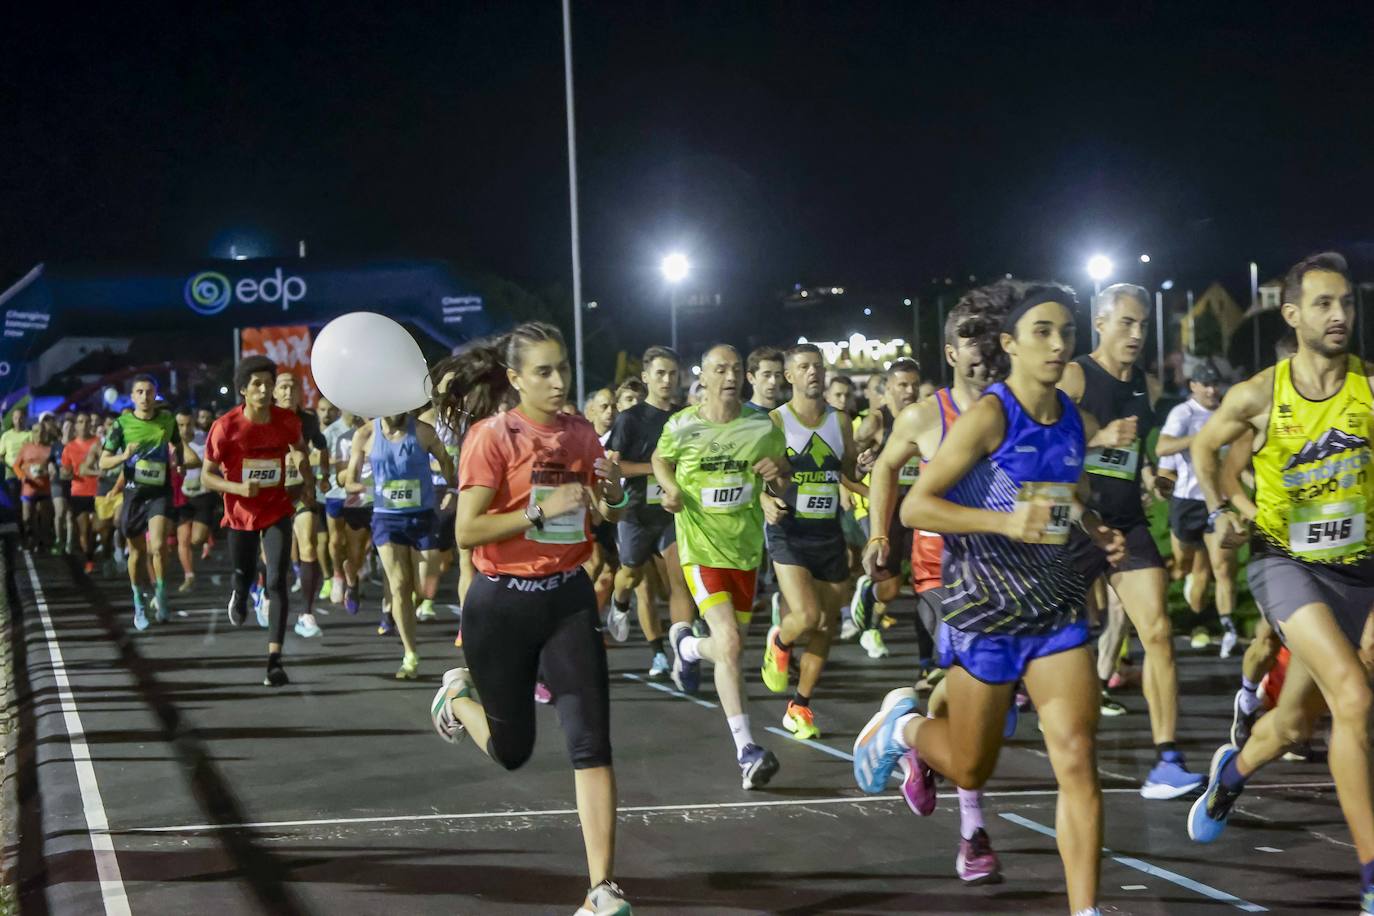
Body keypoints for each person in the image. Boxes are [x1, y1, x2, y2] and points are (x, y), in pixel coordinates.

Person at [853, 281, 1125, 916]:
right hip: (984, 611)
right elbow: (919, 503)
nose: (1059, 344)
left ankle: (1084, 910)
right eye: (1042, 332)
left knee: (1079, 758)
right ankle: (906, 726)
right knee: (972, 768)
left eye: (1066, 332)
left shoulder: (1074, 422)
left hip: (1055, 610)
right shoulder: (989, 417)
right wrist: (1004, 523)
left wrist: (1095, 531)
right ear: (1011, 343)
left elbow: (1072, 499)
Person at [1185, 252, 1374, 915]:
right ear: (1292, 315)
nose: (1340, 315)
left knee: (1294, 725)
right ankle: (1373, 878)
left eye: (1347, 302)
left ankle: (1230, 774)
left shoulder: (1370, 389)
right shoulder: (1261, 394)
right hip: (1284, 564)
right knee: (1353, 699)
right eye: (1324, 304)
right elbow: (1207, 449)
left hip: (1363, 571)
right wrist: (1221, 511)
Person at [427, 322, 632, 916]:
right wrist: (539, 512)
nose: (558, 380)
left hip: (567, 596)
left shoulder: (580, 433)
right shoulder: (492, 437)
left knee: (592, 742)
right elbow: (467, 530)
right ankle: (457, 702)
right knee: (512, 751)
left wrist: (613, 490)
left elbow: (606, 507)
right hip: (502, 602)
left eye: (562, 367)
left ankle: (602, 888)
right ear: (515, 379)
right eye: (543, 371)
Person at [862, 292, 1001, 884]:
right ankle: (973, 835)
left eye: (990, 339)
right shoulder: (925, 416)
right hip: (940, 576)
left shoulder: (1011, 409)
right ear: (949, 351)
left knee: (979, 711)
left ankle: (914, 736)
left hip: (1005, 578)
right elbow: (885, 468)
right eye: (969, 341)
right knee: (967, 697)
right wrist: (877, 535)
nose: (983, 352)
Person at [1058, 283, 1202, 799]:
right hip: (1070, 523)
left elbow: (1138, 450)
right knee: (1040, 641)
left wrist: (1152, 478)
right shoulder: (1074, 374)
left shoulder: (1144, 382)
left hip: (1126, 524)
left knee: (1158, 632)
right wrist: (1097, 439)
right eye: (1127, 323)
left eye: (1143, 324)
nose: (1138, 333)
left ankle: (1167, 759)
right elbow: (1040, 440)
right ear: (1101, 323)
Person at [656, 343, 790, 788]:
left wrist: (778, 478)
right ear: (706, 377)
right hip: (700, 549)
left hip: (746, 551)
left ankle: (688, 648)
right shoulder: (682, 424)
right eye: (721, 369)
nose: (730, 376)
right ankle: (746, 751)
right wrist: (669, 488)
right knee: (730, 643)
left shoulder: (761, 426)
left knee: (729, 650)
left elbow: (782, 478)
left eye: (736, 369)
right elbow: (661, 460)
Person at [758, 343, 858, 740]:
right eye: (804, 367)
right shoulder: (775, 422)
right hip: (790, 532)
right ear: (790, 376)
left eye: (818, 366)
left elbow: (847, 470)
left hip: (828, 533)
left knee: (825, 627)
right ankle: (780, 639)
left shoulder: (841, 421)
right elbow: (757, 475)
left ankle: (800, 706)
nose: (813, 373)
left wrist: (862, 467)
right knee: (806, 616)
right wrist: (765, 498)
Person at [202, 355, 314, 687]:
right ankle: (239, 591)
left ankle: (274, 661)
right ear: (243, 390)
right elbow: (208, 477)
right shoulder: (226, 427)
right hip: (239, 513)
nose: (264, 390)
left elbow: (300, 450)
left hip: (277, 507)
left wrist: (307, 484)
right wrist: (237, 487)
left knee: (277, 578)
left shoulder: (286, 421)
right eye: (257, 385)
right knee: (245, 572)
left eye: (268, 383)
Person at [605, 347, 694, 677]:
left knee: (679, 582)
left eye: (672, 374)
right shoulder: (630, 419)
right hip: (636, 512)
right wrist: (657, 470)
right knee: (630, 574)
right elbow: (615, 466)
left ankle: (682, 653)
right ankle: (619, 602)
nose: (667, 380)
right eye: (660, 373)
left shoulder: (686, 418)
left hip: (672, 512)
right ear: (646, 377)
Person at [345, 407, 454, 678]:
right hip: (386, 519)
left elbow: (446, 461)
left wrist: (452, 489)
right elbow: (349, 481)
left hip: (422, 517)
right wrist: (368, 489)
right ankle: (410, 655)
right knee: (399, 585)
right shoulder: (366, 434)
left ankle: (404, 610)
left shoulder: (423, 432)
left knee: (426, 587)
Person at [1156, 362, 1238, 656]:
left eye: (1215, 383)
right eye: (1205, 384)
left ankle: (1228, 629)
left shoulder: (1227, 413)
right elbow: (1162, 449)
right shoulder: (1183, 414)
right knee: (1185, 568)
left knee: (1224, 566)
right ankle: (1190, 611)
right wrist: (1202, 440)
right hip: (1186, 502)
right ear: (1193, 386)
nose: (1212, 390)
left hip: (1219, 502)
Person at [851, 357, 923, 658]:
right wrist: (864, 480)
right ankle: (869, 618)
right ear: (888, 387)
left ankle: (873, 626)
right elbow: (845, 470)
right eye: (902, 385)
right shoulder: (876, 422)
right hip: (889, 511)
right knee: (890, 586)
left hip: (918, 508)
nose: (909, 391)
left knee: (921, 582)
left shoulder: (926, 416)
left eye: (914, 385)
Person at [99, 376, 181, 629]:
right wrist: (124, 455)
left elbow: (177, 444)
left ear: (155, 395)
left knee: (158, 546)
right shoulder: (122, 424)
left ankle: (161, 593)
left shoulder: (167, 420)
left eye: (149, 392)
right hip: (134, 494)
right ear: (132, 397)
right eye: (139, 392)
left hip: (159, 492)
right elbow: (103, 462)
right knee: (137, 552)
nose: (145, 396)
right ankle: (138, 600)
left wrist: (178, 458)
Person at [275, 372, 330, 638]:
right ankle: (263, 593)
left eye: (292, 387)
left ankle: (306, 613)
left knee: (308, 545)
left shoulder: (307, 420)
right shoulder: (264, 419)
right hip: (271, 494)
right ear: (274, 392)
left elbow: (322, 444)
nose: (288, 392)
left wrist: (324, 478)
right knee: (271, 555)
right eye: (282, 387)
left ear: (300, 392)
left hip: (301, 491)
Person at [62, 412, 102, 573]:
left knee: (98, 528)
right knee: (84, 530)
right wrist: (66, 474)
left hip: (98, 491)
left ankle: (103, 551)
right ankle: (90, 559)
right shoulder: (69, 447)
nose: (84, 425)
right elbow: (65, 471)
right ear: (76, 426)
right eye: (80, 422)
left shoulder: (98, 442)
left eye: (86, 422)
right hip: (79, 492)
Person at [14, 421, 57, 553]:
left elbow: (53, 465)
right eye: (36, 431)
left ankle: (41, 543)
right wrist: (22, 476)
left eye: (42, 431)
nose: (39, 434)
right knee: (27, 518)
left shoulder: (50, 448)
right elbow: (16, 465)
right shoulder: (26, 448)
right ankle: (30, 540)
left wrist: (52, 470)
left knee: (44, 519)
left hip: (44, 488)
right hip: (28, 488)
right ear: (32, 433)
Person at [0, 407, 33, 539]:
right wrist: (10, 466)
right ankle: (18, 533)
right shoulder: (6, 436)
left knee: (27, 506)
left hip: (27, 475)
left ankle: (27, 532)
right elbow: (1, 455)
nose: (18, 420)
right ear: (12, 420)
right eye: (15, 418)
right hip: (11, 475)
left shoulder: (29, 435)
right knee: (15, 505)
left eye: (20, 418)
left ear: (24, 418)